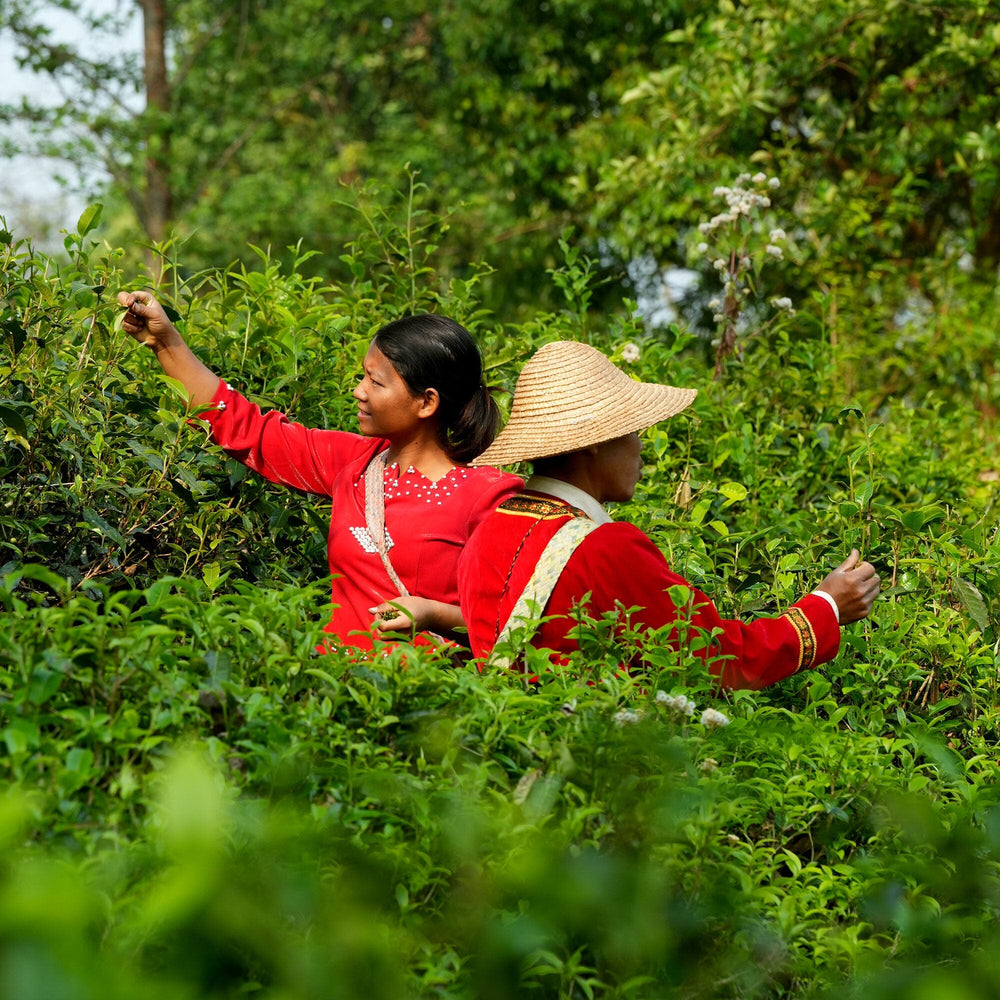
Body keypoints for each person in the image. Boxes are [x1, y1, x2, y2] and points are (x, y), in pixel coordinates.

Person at [457, 341, 880, 689]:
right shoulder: (605, 547)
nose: (640, 447)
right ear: (593, 443)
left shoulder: (488, 530)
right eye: (632, 430)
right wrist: (827, 606)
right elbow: (717, 659)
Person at [117, 290, 522, 651]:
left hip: (428, 706)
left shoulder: (490, 496)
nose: (359, 391)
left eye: (375, 382)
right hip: (334, 688)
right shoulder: (354, 463)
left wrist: (433, 612)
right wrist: (165, 341)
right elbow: (246, 427)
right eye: (363, 375)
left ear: (426, 402)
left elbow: (518, 619)